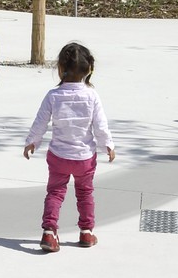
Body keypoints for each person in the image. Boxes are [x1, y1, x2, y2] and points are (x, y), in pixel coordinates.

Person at [24, 41, 115, 252]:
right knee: (85, 193)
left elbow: (40, 122)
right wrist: (107, 145)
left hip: (59, 156)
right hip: (84, 158)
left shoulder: (53, 96)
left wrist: (32, 141)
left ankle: (49, 232)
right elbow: (100, 125)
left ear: (60, 69)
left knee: (55, 193)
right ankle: (86, 232)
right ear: (88, 69)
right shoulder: (92, 95)